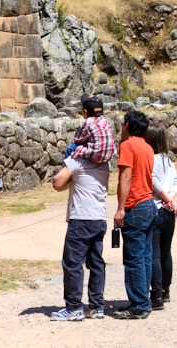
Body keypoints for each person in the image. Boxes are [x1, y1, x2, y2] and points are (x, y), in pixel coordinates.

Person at [49, 108, 111, 321]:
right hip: (99, 217)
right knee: (96, 262)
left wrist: (71, 179)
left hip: (81, 218)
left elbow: (57, 183)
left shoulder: (77, 159)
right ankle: (97, 306)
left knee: (73, 262)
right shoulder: (105, 162)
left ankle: (74, 307)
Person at [113, 110, 156, 320]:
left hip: (135, 206)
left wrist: (121, 208)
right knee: (145, 257)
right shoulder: (147, 147)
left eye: (123, 124)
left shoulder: (127, 146)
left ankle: (139, 304)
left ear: (128, 125)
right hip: (149, 204)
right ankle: (143, 300)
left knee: (133, 259)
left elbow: (126, 177)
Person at [145, 123, 177, 310]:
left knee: (154, 253)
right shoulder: (168, 159)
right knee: (165, 251)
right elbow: (176, 182)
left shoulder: (150, 159)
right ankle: (166, 290)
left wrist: (167, 199)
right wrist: (172, 201)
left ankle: (157, 294)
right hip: (169, 212)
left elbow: (153, 182)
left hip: (156, 208)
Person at [64, 95, 116, 164]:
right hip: (109, 155)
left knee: (69, 148)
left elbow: (79, 140)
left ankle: (66, 169)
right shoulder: (104, 120)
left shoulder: (88, 122)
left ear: (85, 111)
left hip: (96, 157)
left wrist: (74, 141)